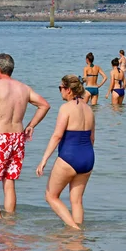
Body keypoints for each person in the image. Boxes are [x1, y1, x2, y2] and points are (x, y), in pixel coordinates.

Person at [0, 53, 50, 219]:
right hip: (18, 138)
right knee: (9, 181)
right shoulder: (24, 88)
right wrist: (30, 126)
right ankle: (10, 222)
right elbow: (44, 105)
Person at [36, 75, 95, 230]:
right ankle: (78, 242)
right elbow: (92, 138)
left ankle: (75, 229)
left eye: (61, 88)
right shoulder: (89, 109)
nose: (60, 91)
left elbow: (57, 136)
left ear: (69, 90)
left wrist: (44, 160)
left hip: (70, 156)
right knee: (76, 200)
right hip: (88, 157)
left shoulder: (66, 108)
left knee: (51, 196)